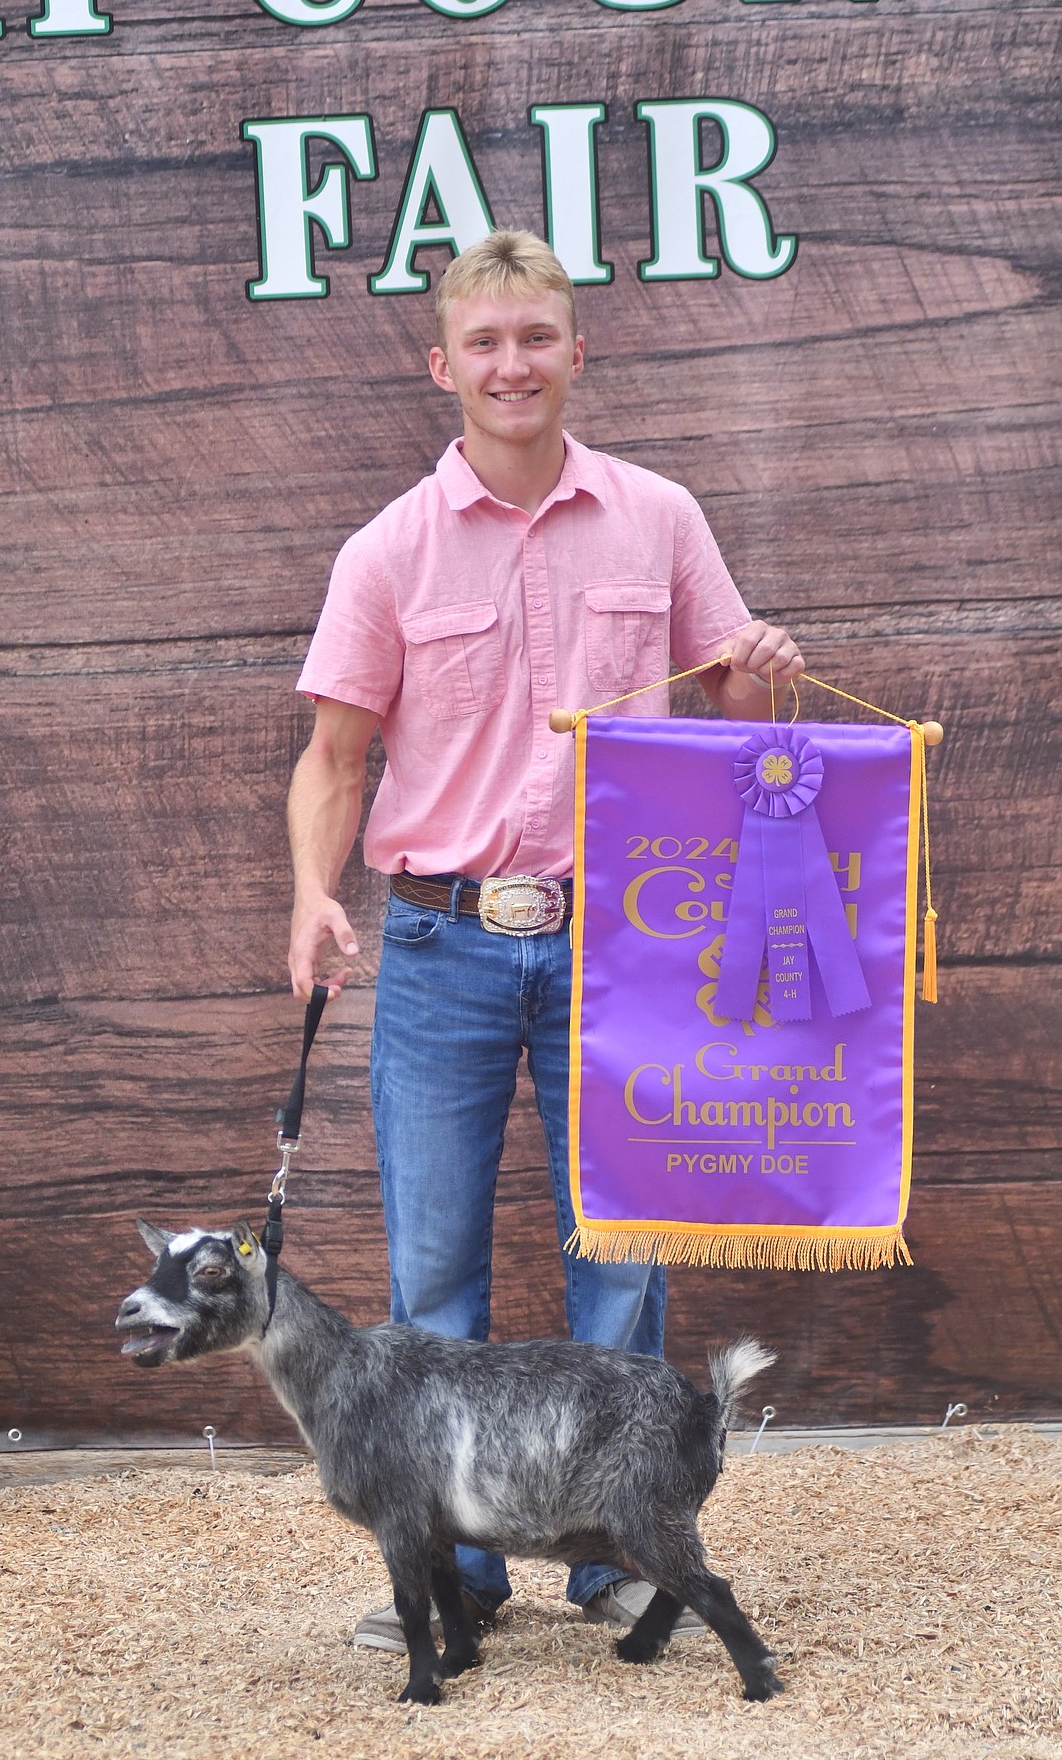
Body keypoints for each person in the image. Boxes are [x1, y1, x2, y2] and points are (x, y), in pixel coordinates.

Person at [287, 229, 804, 1653]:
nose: (513, 363)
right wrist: (311, 895)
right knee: (433, 1276)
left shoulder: (660, 518)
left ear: (580, 351)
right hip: (443, 946)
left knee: (621, 1260)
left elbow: (736, 744)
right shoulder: (387, 547)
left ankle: (619, 1559)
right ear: (440, 362)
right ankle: (454, 1577)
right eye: (486, 341)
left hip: (621, 944)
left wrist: (764, 687)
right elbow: (335, 759)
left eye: (538, 337)